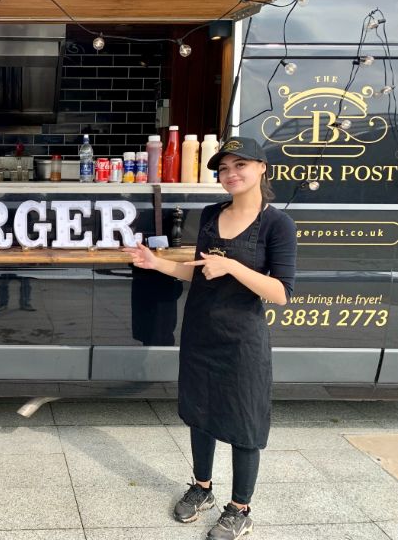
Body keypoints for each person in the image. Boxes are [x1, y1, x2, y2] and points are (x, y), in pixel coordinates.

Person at [124, 137, 296, 540]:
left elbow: (281, 293)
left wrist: (233, 266)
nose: (231, 174)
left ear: (262, 169)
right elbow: (200, 273)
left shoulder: (277, 224)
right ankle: (201, 488)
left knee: (244, 421)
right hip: (201, 331)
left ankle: (240, 508)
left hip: (242, 339)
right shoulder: (209, 214)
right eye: (223, 168)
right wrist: (157, 263)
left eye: (240, 165)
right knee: (199, 412)